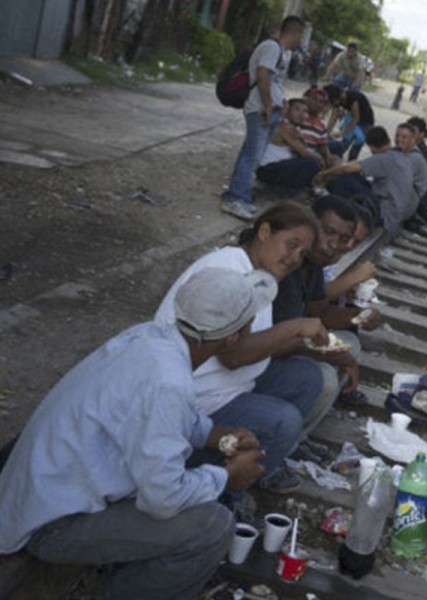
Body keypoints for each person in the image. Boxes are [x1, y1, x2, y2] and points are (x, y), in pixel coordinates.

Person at [0, 267, 272, 599]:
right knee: (212, 526)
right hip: (51, 525)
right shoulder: (168, 381)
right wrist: (227, 477)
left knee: (196, 477)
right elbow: (163, 499)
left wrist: (217, 436)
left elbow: (164, 418)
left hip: (40, 497)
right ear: (234, 336)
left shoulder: (149, 337)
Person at [156, 203, 329, 497]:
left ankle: (260, 465)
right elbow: (232, 354)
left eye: (302, 254)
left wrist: (306, 343)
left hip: (233, 383)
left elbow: (256, 342)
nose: (294, 258)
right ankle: (227, 495)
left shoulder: (259, 274)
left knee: (307, 375)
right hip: (197, 399)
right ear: (264, 232)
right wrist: (296, 327)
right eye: (291, 245)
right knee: (284, 421)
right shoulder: (231, 267)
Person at [273, 196, 381, 409]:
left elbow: (319, 311)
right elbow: (279, 341)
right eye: (328, 232)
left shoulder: (313, 266)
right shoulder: (287, 265)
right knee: (323, 379)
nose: (334, 245)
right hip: (268, 355)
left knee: (350, 341)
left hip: (290, 344)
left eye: (343, 239)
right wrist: (339, 357)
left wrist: (359, 316)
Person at [221, 16, 305, 221]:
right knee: (252, 156)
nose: (301, 40)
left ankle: (239, 194)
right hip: (260, 110)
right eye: (300, 35)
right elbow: (262, 76)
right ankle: (235, 199)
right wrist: (267, 107)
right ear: (294, 33)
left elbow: (273, 81)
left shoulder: (281, 52)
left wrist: (280, 104)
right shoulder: (271, 47)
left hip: (270, 109)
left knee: (250, 154)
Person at [314, 126, 418, 234]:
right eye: (397, 136)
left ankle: (335, 211)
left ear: (372, 147)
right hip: (393, 212)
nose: (399, 139)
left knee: (344, 179)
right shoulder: (400, 157)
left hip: (384, 213)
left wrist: (323, 174)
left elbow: (347, 168)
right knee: (355, 176)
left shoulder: (385, 158)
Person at [255, 98, 324, 194]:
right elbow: (305, 153)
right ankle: (286, 190)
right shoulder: (286, 128)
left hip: (275, 167)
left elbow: (303, 148)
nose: (301, 114)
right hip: (267, 170)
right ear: (287, 111)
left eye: (304, 111)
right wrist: (322, 161)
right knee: (312, 163)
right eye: (297, 109)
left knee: (313, 160)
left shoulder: (291, 128)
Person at [324, 84, 375, 161]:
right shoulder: (339, 100)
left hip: (365, 123)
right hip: (353, 121)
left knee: (356, 147)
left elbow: (356, 118)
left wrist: (343, 133)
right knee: (342, 146)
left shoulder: (352, 97)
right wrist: (327, 133)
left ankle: (351, 165)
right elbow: (334, 116)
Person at [301, 87, 339, 168]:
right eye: (314, 99)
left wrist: (329, 159)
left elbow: (323, 147)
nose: (316, 104)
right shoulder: (300, 116)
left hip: (311, 155)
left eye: (321, 102)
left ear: (323, 106)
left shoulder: (321, 125)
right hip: (301, 155)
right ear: (308, 100)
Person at [396, 122, 427, 202]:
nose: (399, 139)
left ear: (413, 139)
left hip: (410, 200)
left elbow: (397, 178)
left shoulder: (415, 158)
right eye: (397, 136)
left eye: (404, 137)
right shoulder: (401, 151)